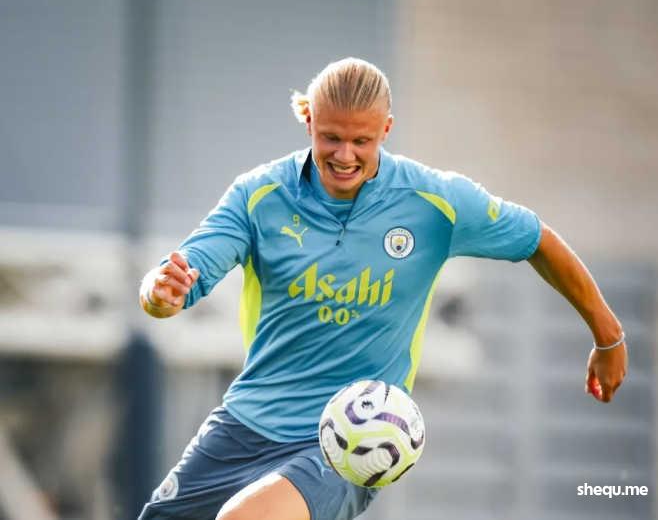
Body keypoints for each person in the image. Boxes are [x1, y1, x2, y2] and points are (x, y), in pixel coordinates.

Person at [137, 58, 627, 520]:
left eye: (361, 141)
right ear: (308, 121)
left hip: (348, 441)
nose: (344, 155)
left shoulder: (435, 202)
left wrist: (608, 337)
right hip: (245, 423)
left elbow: (537, 240)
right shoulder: (259, 194)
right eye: (331, 138)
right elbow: (177, 278)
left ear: (386, 130)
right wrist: (162, 293)